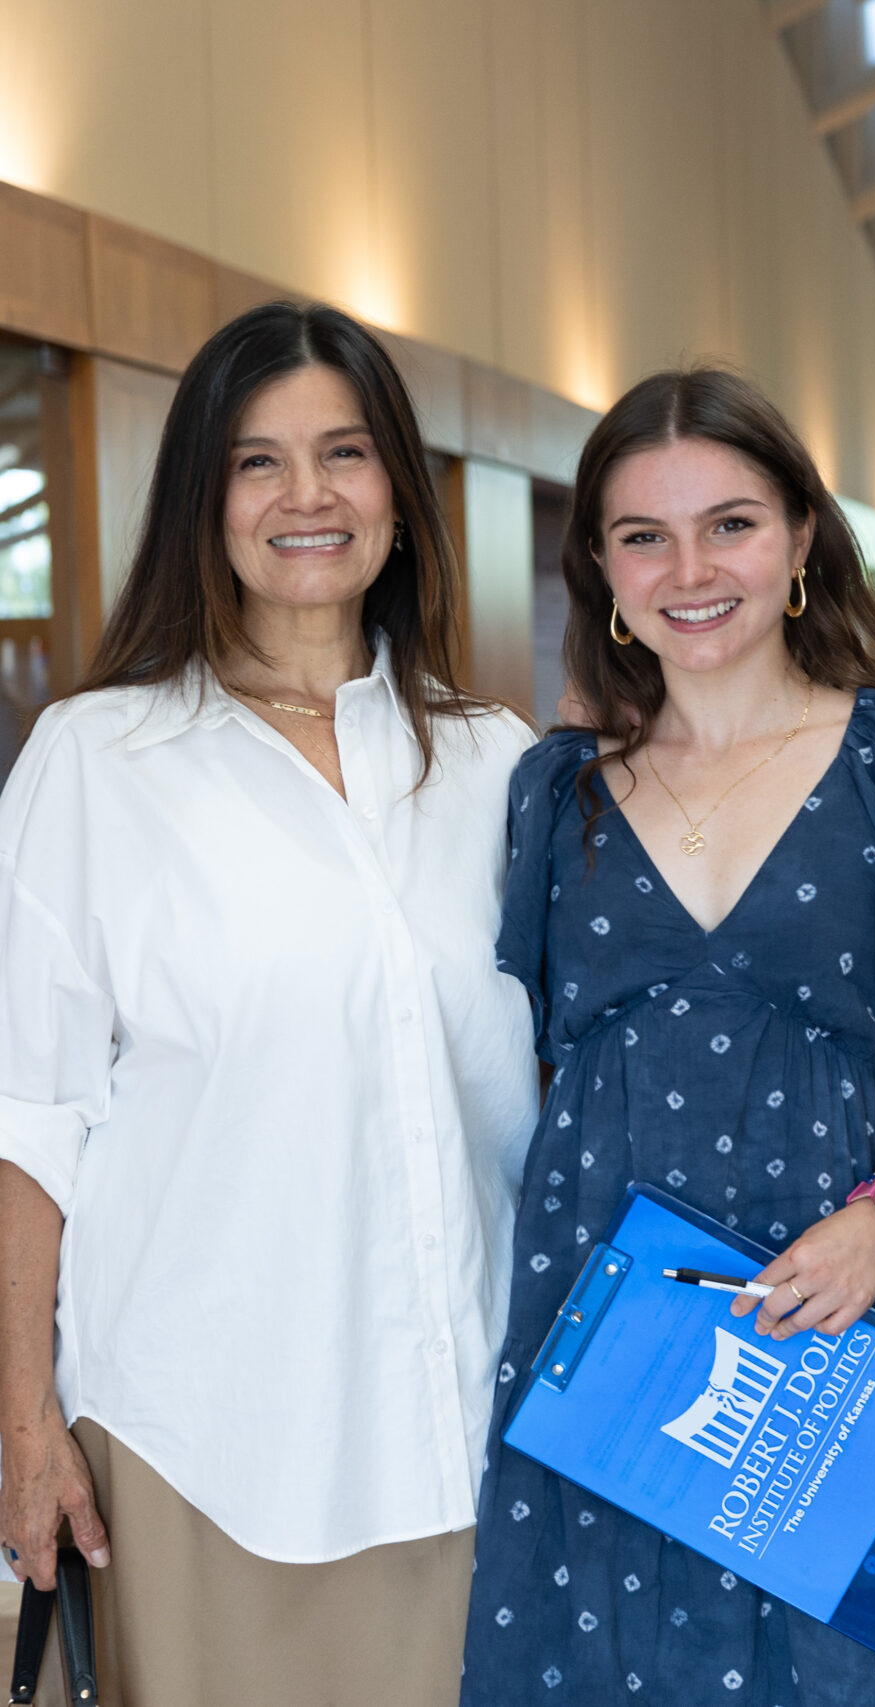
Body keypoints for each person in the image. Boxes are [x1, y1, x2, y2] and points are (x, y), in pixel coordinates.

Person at [461, 368, 875, 1706]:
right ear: (598, 565)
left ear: (798, 544)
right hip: (609, 1310)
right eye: (643, 535)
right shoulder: (557, 793)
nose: (690, 568)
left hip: (840, 1271)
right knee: (610, 1655)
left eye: (731, 523)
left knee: (849, 1662)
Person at [0, 302, 535, 1703]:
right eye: (257, 463)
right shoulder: (99, 761)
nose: (307, 497)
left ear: (401, 496)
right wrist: (21, 1425)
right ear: (203, 502)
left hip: (471, 1430)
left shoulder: (496, 767)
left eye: (344, 453)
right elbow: (28, 1116)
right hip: (202, 1441)